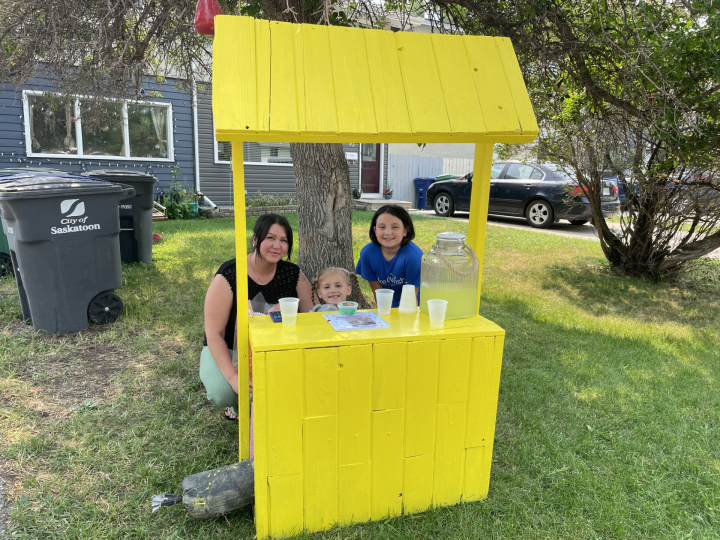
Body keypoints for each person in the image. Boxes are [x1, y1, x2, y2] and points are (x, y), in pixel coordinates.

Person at [200, 213, 313, 420]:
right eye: (270, 238)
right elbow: (214, 333)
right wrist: (233, 376)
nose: (277, 246)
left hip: (274, 349)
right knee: (223, 392)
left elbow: (312, 318)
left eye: (283, 240)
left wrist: (291, 314)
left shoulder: (293, 275)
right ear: (255, 239)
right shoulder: (229, 274)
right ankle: (235, 406)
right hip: (230, 346)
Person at [355, 205, 423, 308]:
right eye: (382, 227)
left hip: (417, 303)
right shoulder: (367, 253)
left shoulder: (414, 257)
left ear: (405, 230)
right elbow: (379, 295)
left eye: (395, 227)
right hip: (391, 300)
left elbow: (411, 300)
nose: (387, 232)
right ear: (375, 230)